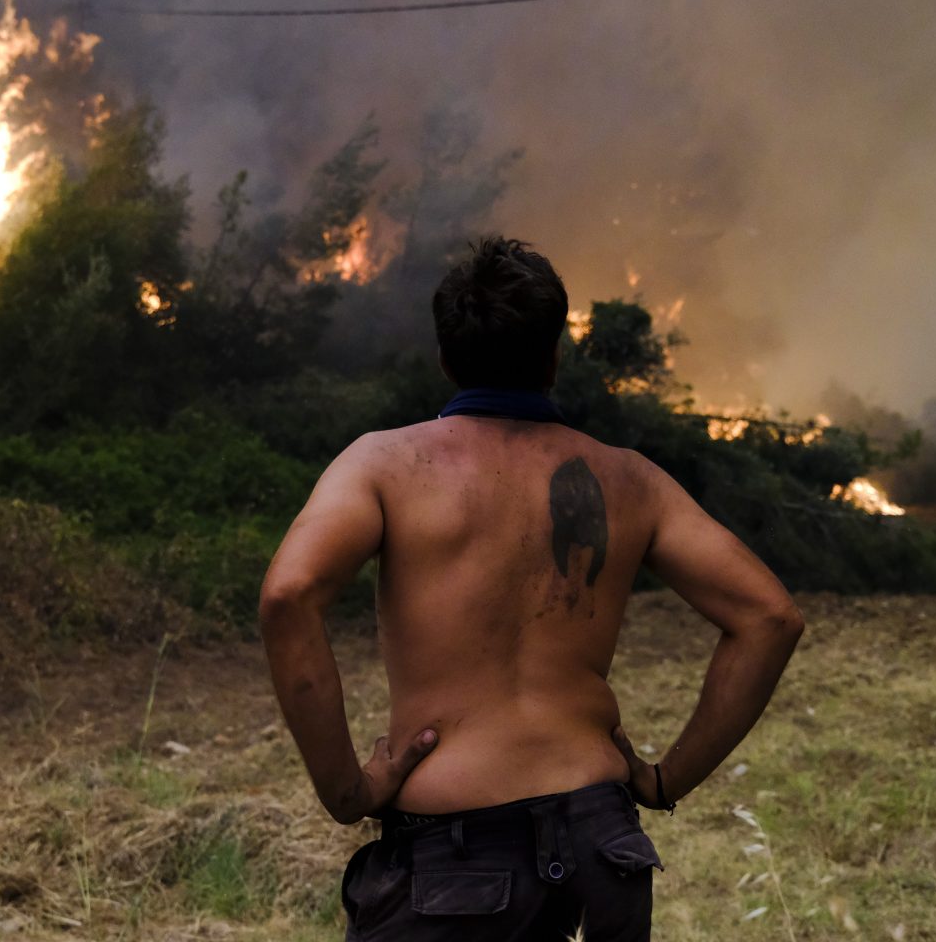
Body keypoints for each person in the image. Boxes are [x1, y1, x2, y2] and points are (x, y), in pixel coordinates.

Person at [258, 237, 805, 941]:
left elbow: (287, 596)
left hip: (453, 860)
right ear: (554, 355)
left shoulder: (385, 465)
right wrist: (669, 778)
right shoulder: (630, 479)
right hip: (600, 846)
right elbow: (770, 616)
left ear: (446, 358)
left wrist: (348, 792)